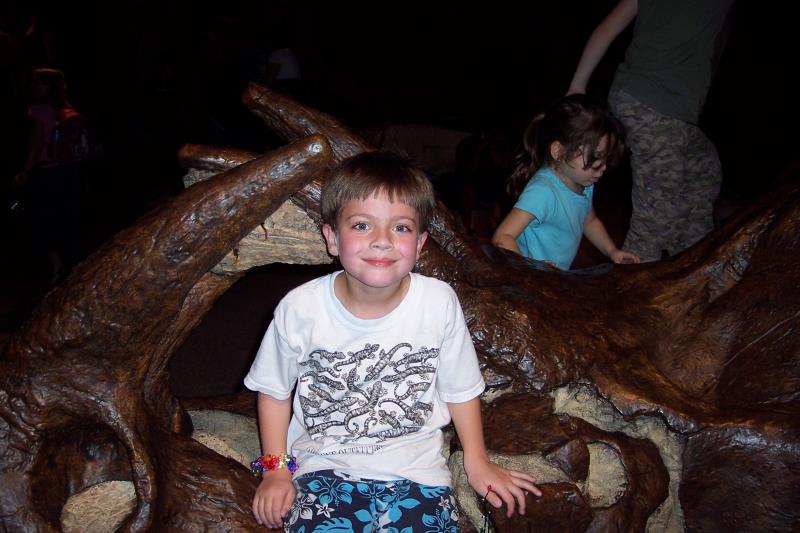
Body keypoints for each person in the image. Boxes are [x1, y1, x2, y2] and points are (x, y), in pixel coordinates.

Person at [244, 152, 541, 531]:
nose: (382, 241)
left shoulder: (438, 303)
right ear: (332, 238)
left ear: (420, 244)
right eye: (362, 225)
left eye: (400, 227)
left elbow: (461, 389)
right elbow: (273, 391)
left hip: (417, 472)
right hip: (324, 466)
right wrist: (275, 470)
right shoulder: (299, 308)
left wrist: (477, 461)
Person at [567, 0, 735, 262]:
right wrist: (577, 85)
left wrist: (578, 84)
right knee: (656, 217)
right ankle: (633, 277)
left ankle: (689, 259)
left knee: (703, 170)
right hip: (651, 101)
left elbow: (605, 29)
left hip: (668, 109)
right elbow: (608, 28)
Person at [492, 94, 640, 270]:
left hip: (555, 275)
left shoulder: (585, 183)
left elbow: (589, 221)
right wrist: (529, 269)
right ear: (559, 151)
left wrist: (612, 251)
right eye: (595, 158)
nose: (603, 167)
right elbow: (503, 237)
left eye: (606, 158)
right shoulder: (543, 192)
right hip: (529, 277)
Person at [13, 67, 85, 284]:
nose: (33, 86)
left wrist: (24, 172)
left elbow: (36, 145)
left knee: (43, 218)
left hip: (46, 173)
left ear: (47, 86)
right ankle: (74, 262)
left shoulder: (38, 110)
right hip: (67, 170)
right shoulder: (65, 109)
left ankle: (57, 265)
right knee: (66, 215)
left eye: (38, 82)